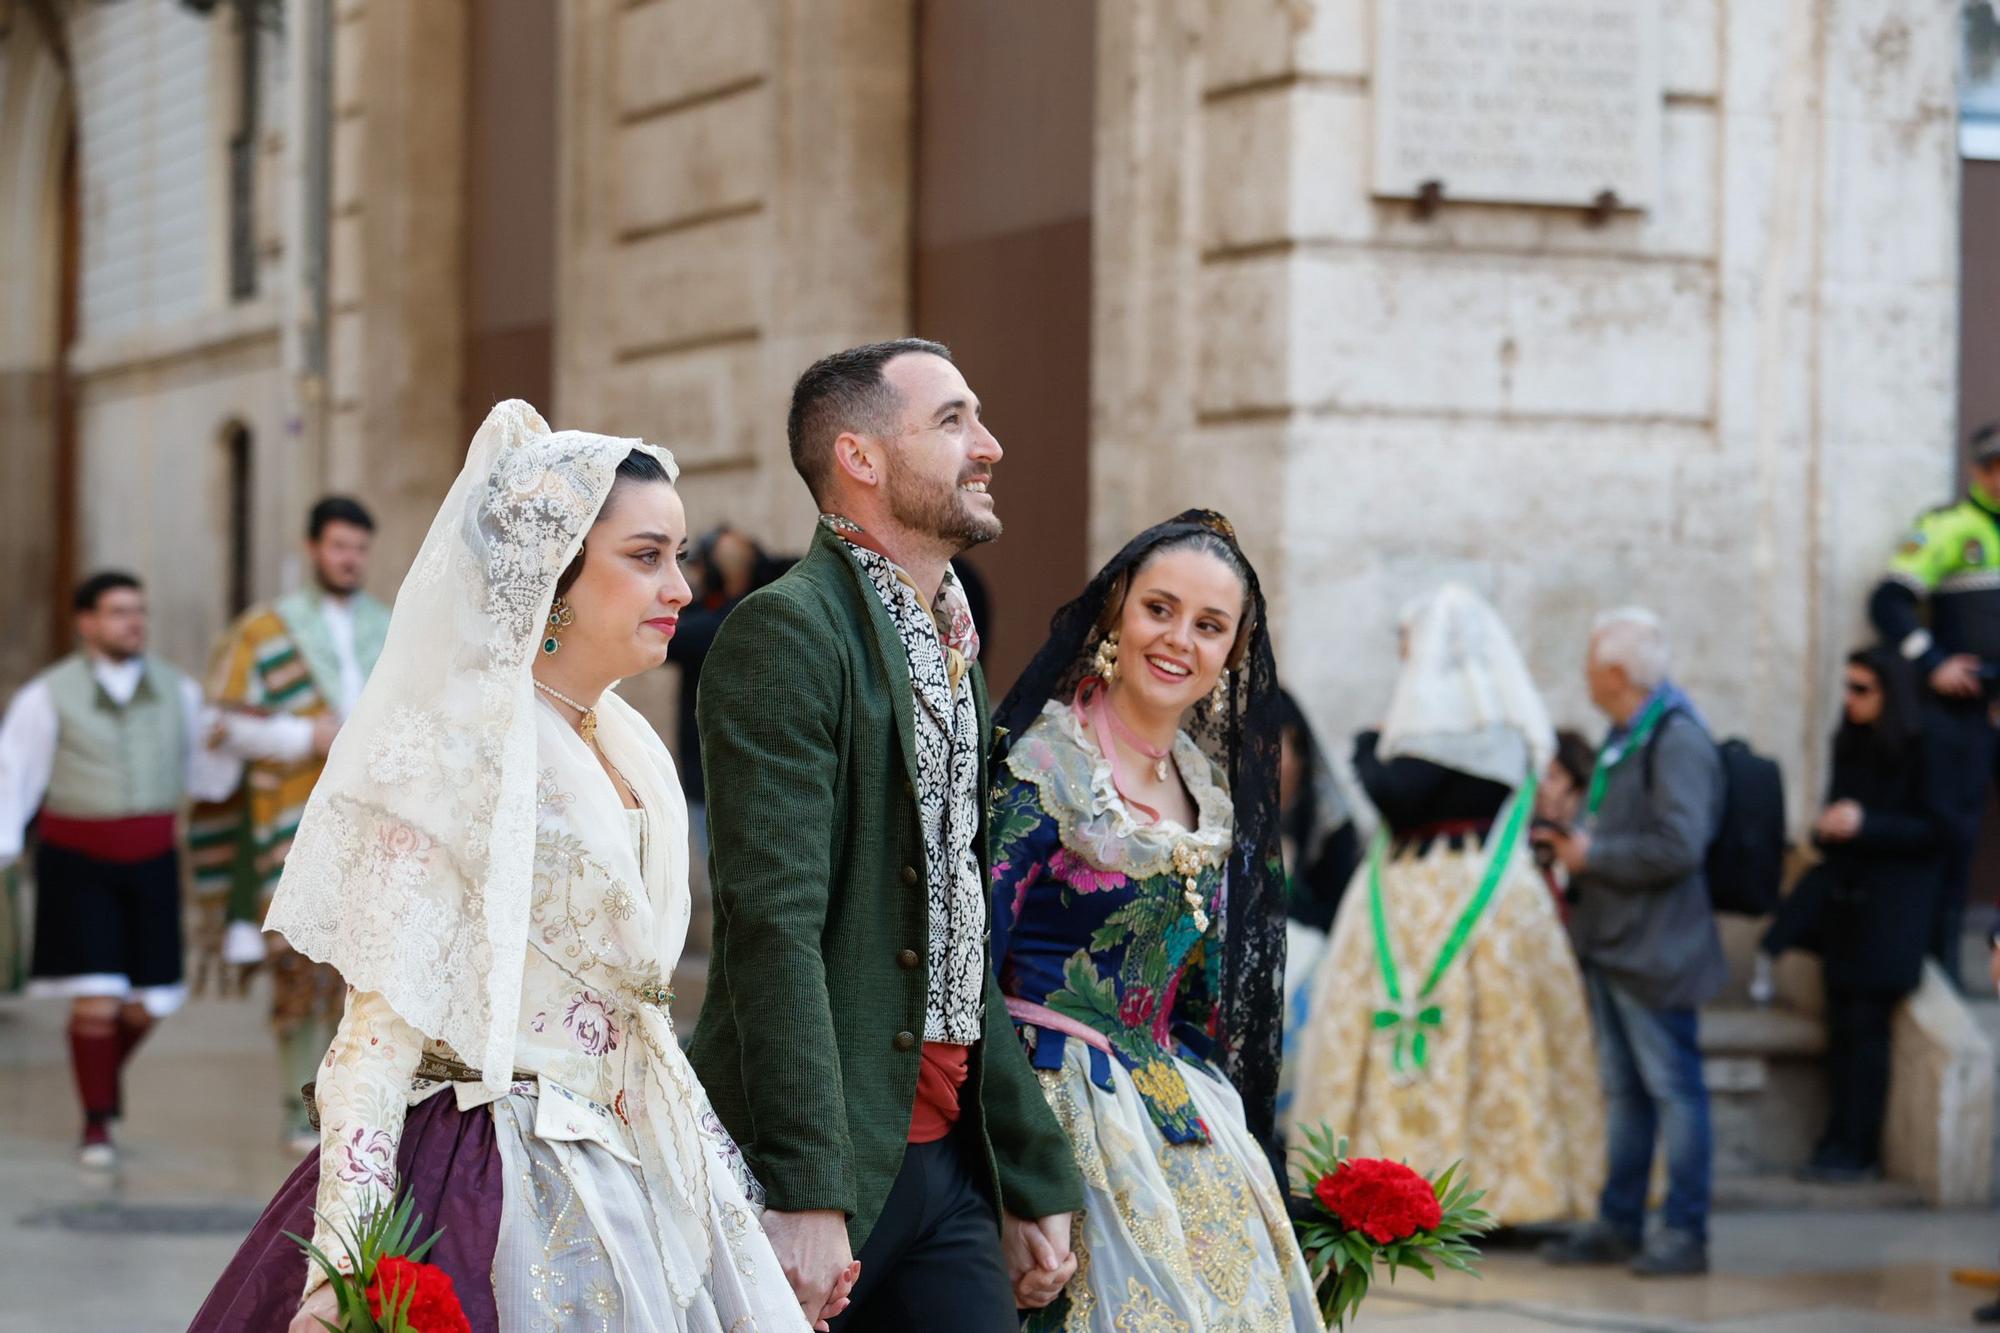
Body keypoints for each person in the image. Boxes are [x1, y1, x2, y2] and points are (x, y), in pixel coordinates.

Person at [190, 400, 816, 1332]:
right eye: (646, 557)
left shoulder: (630, 742)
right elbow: (374, 1037)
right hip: (489, 1170)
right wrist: (342, 1272)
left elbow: (637, 1012)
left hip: (632, 1156)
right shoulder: (460, 751)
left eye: (679, 556)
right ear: (556, 576)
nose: (680, 588)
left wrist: (739, 1197)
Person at [689, 341, 1084, 1331]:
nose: (986, 445)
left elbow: (955, 926)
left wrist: (1025, 1172)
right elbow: (767, 927)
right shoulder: (786, 632)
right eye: (951, 421)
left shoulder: (950, 639)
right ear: (859, 458)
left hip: (947, 1162)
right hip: (840, 1160)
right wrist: (806, 1185)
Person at [987, 510, 1322, 1330]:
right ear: (1116, 611)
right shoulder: (1044, 762)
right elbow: (969, 972)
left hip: (1173, 1102)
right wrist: (1008, 1173)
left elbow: (1200, 1002)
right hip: (1045, 1100)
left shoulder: (1206, 787)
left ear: (1235, 649)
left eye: (1210, 625)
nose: (1178, 640)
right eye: (1159, 609)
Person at [1286, 585, 1604, 1228]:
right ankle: (1503, 1186)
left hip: (1426, 893)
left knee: (1471, 1035)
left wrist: (1366, 747)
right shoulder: (1503, 723)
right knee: (1500, 1042)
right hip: (1494, 893)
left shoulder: (1433, 728)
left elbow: (1398, 795)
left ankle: (1417, 1189)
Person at [0, 572, 286, 1166]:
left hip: (153, 860)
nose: (133, 623)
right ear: (86, 622)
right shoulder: (48, 695)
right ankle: (96, 1122)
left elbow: (203, 779)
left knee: (156, 997)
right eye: (118, 612)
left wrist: (225, 744)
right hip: (75, 863)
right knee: (95, 995)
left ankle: (97, 1076)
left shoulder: (178, 691)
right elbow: (15, 778)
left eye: (139, 611)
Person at [192, 495, 391, 1150]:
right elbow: (220, 725)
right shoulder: (266, 629)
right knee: (299, 964)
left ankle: (348, 1103)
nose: (350, 559)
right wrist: (303, 733)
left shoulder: (388, 625)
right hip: (291, 820)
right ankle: (295, 1103)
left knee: (360, 970)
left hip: (374, 822)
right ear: (312, 549)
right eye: (339, 546)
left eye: (359, 548)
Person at [1537, 607, 1727, 1278]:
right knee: (1625, 1090)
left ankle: (1684, 1231)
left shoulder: (1676, 738)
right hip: (1614, 941)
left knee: (1675, 1089)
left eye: (1591, 661)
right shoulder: (1626, 733)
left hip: (1656, 948)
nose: (1585, 674)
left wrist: (1594, 854)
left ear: (1616, 672)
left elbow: (1681, 843)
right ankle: (1620, 1221)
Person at [1758, 648, 1948, 1181]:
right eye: (1847, 688)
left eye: (1862, 689)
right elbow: (1835, 818)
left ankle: (1857, 1148)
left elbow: (1938, 831)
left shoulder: (1922, 746)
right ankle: (1836, 1143)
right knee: (1841, 1032)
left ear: (1891, 694)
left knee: (1867, 1035)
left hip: (1893, 915)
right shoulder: (1850, 742)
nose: (1850, 700)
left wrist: (1867, 824)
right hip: (1847, 908)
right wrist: (1831, 826)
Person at [1867, 419, 2000, 988]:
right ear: (1978, 471)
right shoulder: (1949, 527)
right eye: (1994, 467)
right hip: (1967, 713)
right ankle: (1946, 965)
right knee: (1954, 833)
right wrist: (1933, 661)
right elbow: (1889, 600)